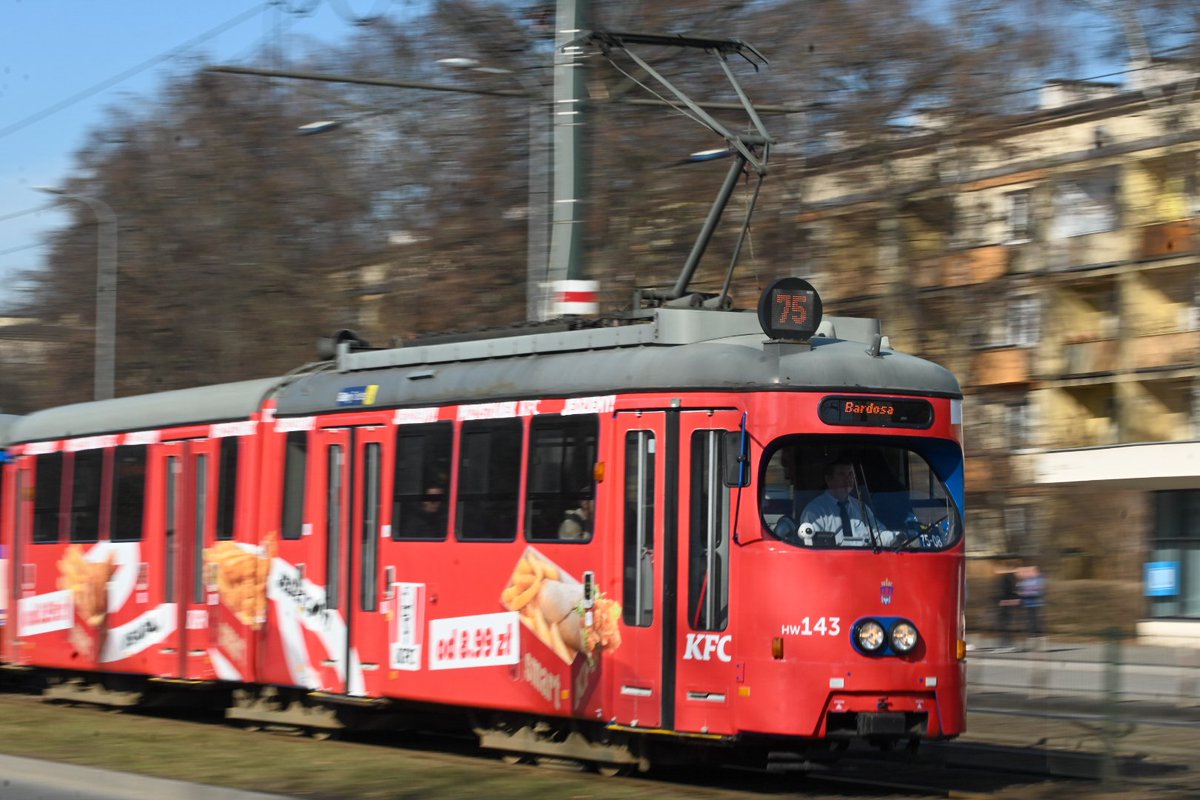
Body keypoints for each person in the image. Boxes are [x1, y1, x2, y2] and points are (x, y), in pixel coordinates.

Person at [797, 458, 898, 547]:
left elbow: (878, 535)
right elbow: (812, 546)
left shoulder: (861, 507)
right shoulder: (815, 512)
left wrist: (897, 537)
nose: (848, 479)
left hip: (865, 559)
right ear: (828, 479)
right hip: (831, 561)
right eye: (842, 474)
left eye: (850, 474)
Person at [1017, 564, 1046, 646]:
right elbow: (1020, 589)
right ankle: (1031, 638)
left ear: (1037, 571)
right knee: (1030, 622)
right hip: (1028, 604)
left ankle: (1041, 638)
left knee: (1037, 621)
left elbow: (1038, 591)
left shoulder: (1040, 579)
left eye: (1032, 571)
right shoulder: (1026, 580)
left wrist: (1026, 592)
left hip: (1037, 603)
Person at [995, 561, 1021, 651]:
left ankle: (1006, 643)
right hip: (1007, 602)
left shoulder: (1008, 578)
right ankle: (1006, 642)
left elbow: (1007, 590)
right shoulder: (1011, 578)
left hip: (1006, 603)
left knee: (1005, 624)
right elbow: (1012, 590)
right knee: (1006, 624)